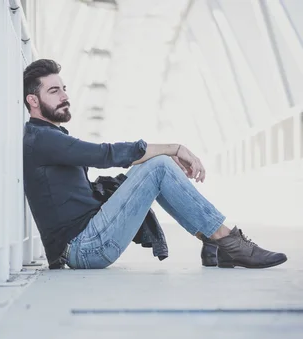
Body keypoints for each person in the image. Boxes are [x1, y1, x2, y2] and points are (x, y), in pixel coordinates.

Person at [23, 59, 287, 270]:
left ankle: (216, 242)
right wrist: (174, 148)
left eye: (64, 89)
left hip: (85, 242)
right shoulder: (43, 139)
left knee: (153, 166)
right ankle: (225, 239)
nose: (64, 96)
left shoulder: (48, 137)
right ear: (32, 101)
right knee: (158, 166)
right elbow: (104, 155)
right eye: (54, 91)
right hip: (84, 248)